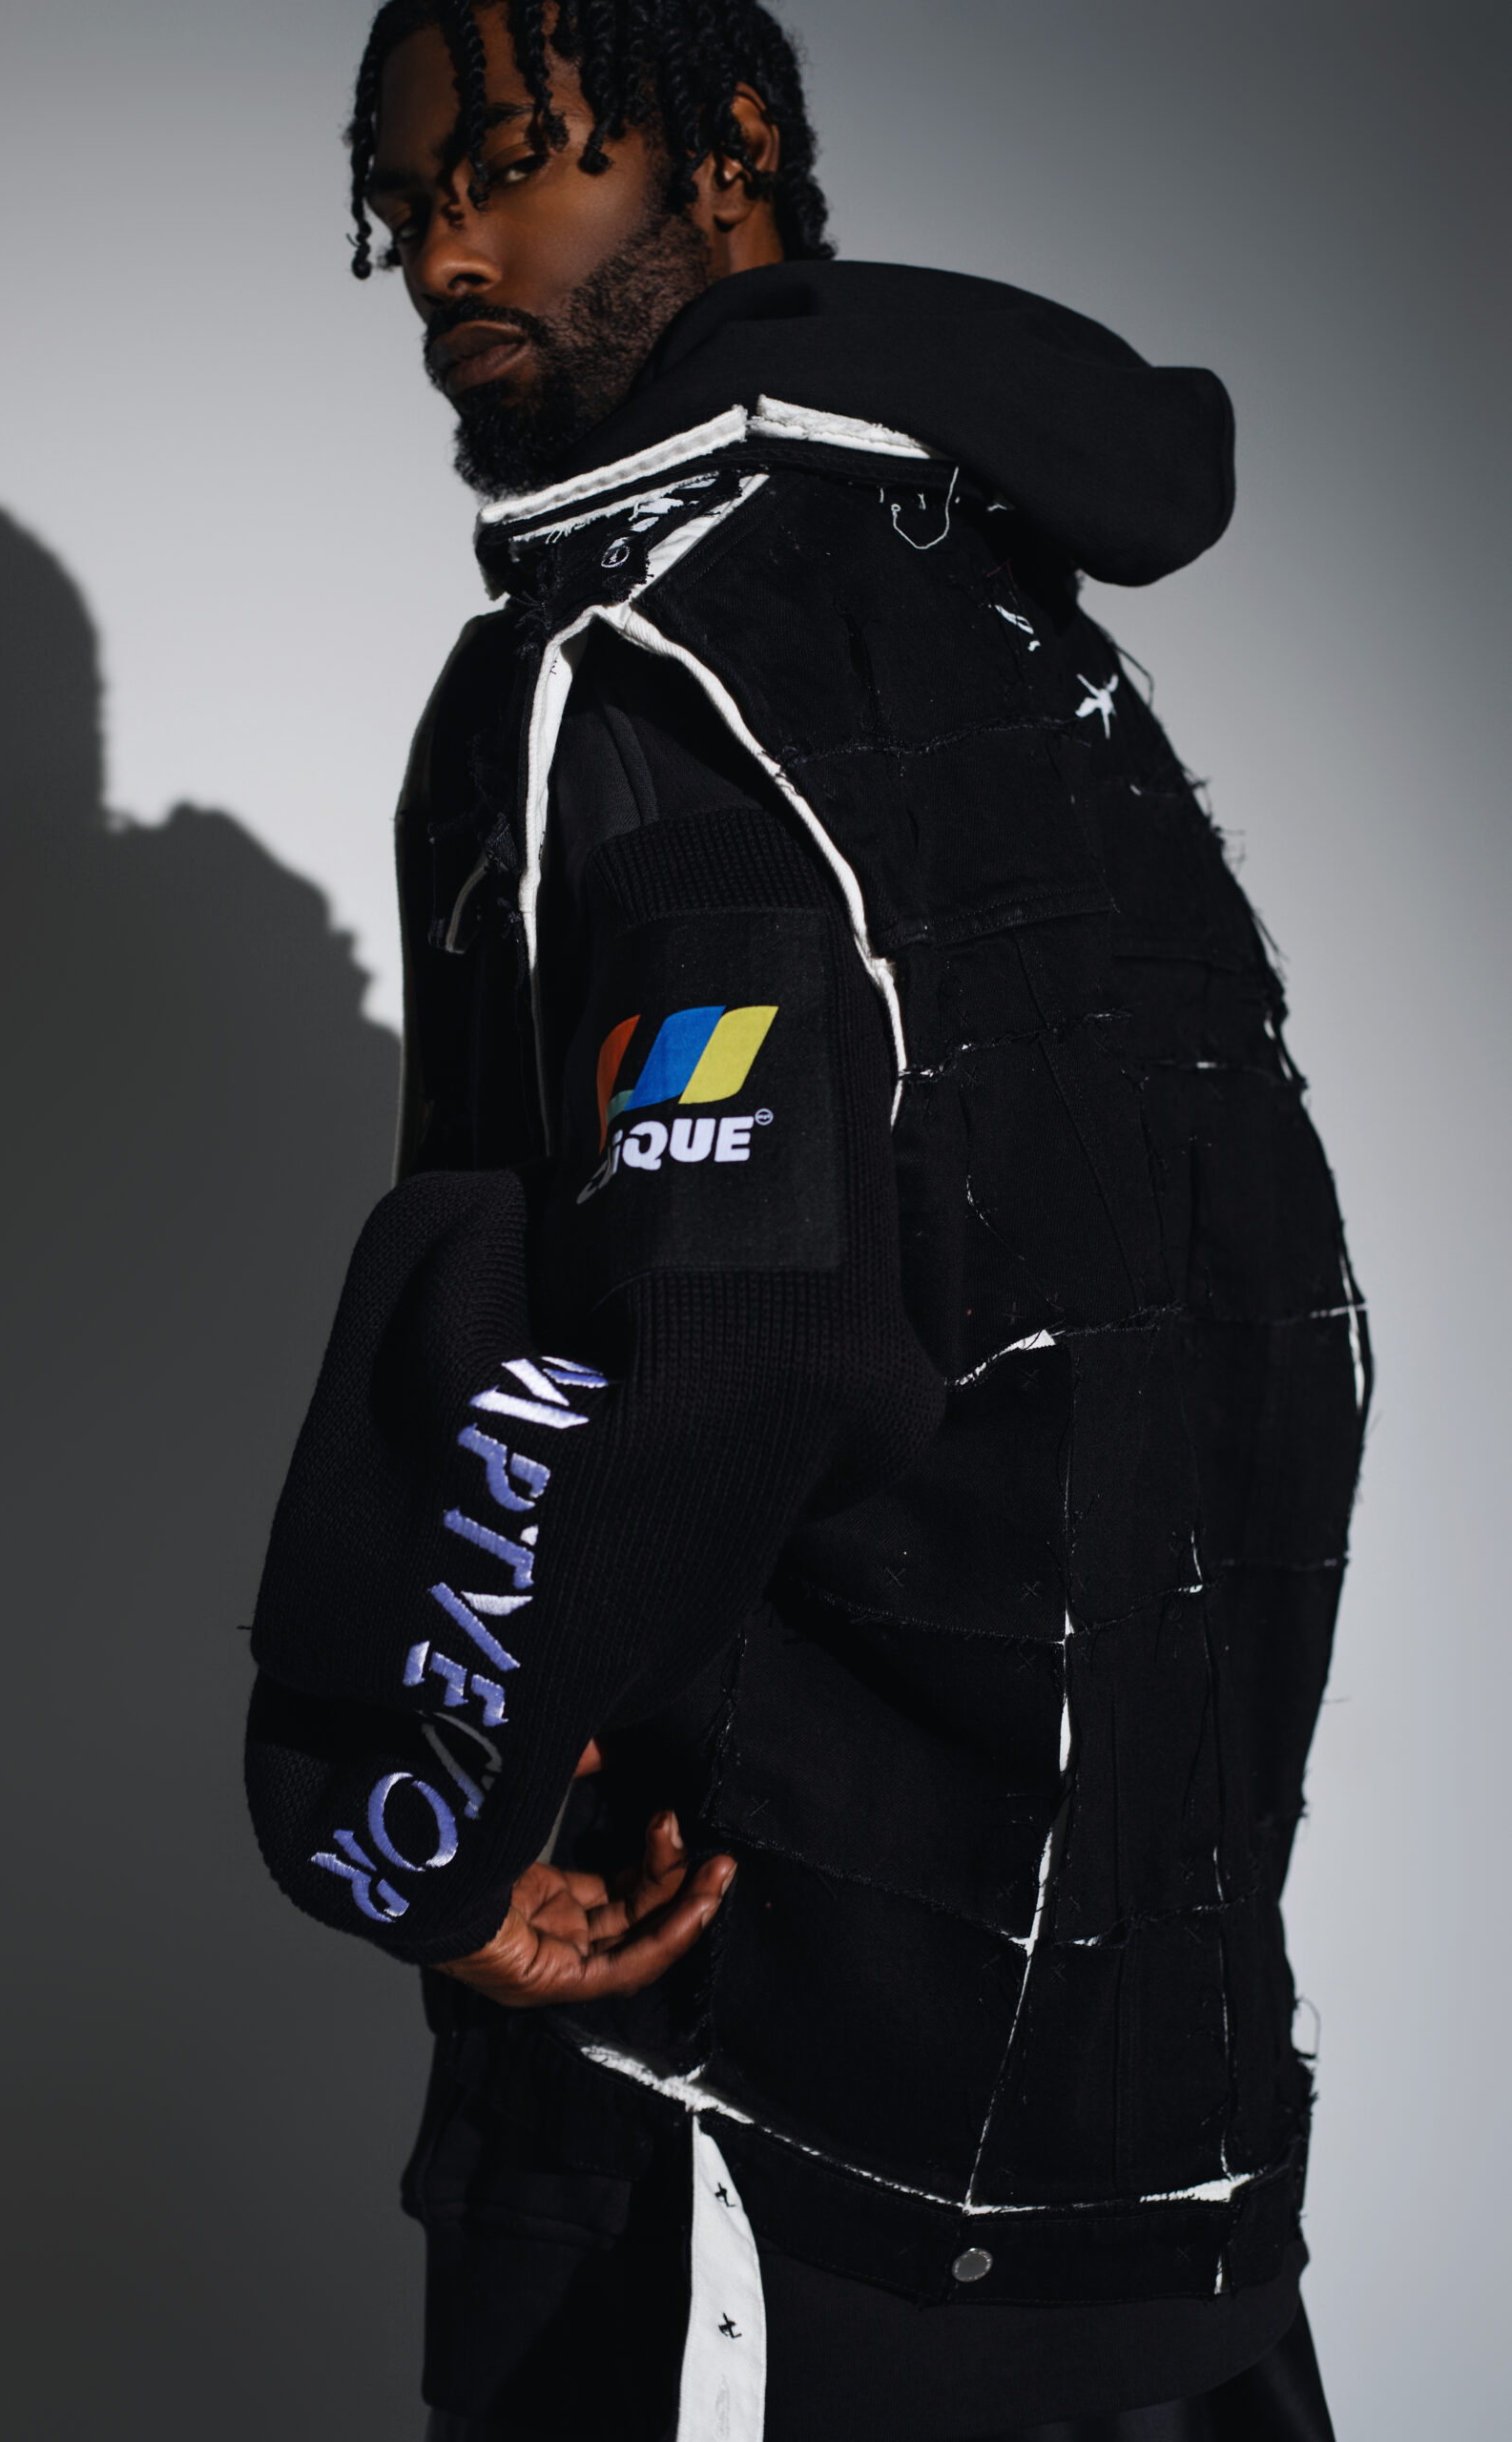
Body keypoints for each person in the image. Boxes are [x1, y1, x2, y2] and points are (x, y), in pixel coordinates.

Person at [244, 7, 1367, 2437]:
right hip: (1159, 2119)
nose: (442, 251)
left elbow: (712, 1339)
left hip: (760, 2099)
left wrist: (414, 1818)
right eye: (405, 201)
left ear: (728, 143)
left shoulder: (635, 660)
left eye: (512, 163)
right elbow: (1276, 1345)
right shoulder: (1026, 640)